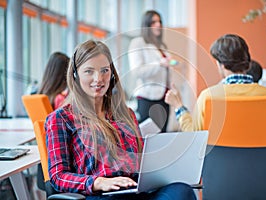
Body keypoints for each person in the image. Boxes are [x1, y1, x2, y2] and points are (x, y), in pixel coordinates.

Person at [45, 39, 196, 199]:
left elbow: (141, 161)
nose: (99, 79)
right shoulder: (60, 118)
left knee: (182, 191)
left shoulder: (126, 114)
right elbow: (58, 176)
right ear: (75, 75)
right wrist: (98, 182)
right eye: (89, 71)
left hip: (134, 190)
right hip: (101, 194)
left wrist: (168, 168)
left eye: (104, 70)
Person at [164, 34, 266, 150]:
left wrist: (179, 107)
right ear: (248, 63)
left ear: (222, 65)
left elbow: (195, 141)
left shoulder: (208, 98)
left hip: (219, 177)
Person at [128, 10, 176, 132]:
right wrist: (159, 64)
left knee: (163, 136)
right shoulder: (137, 43)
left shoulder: (161, 46)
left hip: (164, 98)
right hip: (147, 98)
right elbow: (137, 71)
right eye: (154, 22)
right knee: (149, 137)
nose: (158, 25)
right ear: (146, 25)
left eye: (159, 21)